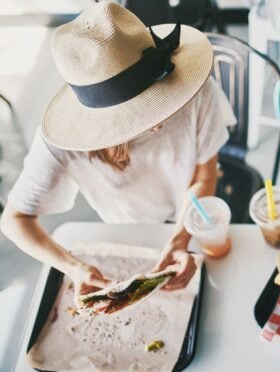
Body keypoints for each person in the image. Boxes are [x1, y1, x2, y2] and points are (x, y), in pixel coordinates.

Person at [0, 3, 236, 295]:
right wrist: (74, 267)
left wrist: (179, 238)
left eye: (162, 98)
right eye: (138, 114)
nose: (158, 122)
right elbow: (14, 220)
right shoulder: (62, 140)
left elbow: (204, 175)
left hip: (188, 217)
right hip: (127, 227)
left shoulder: (198, 91)